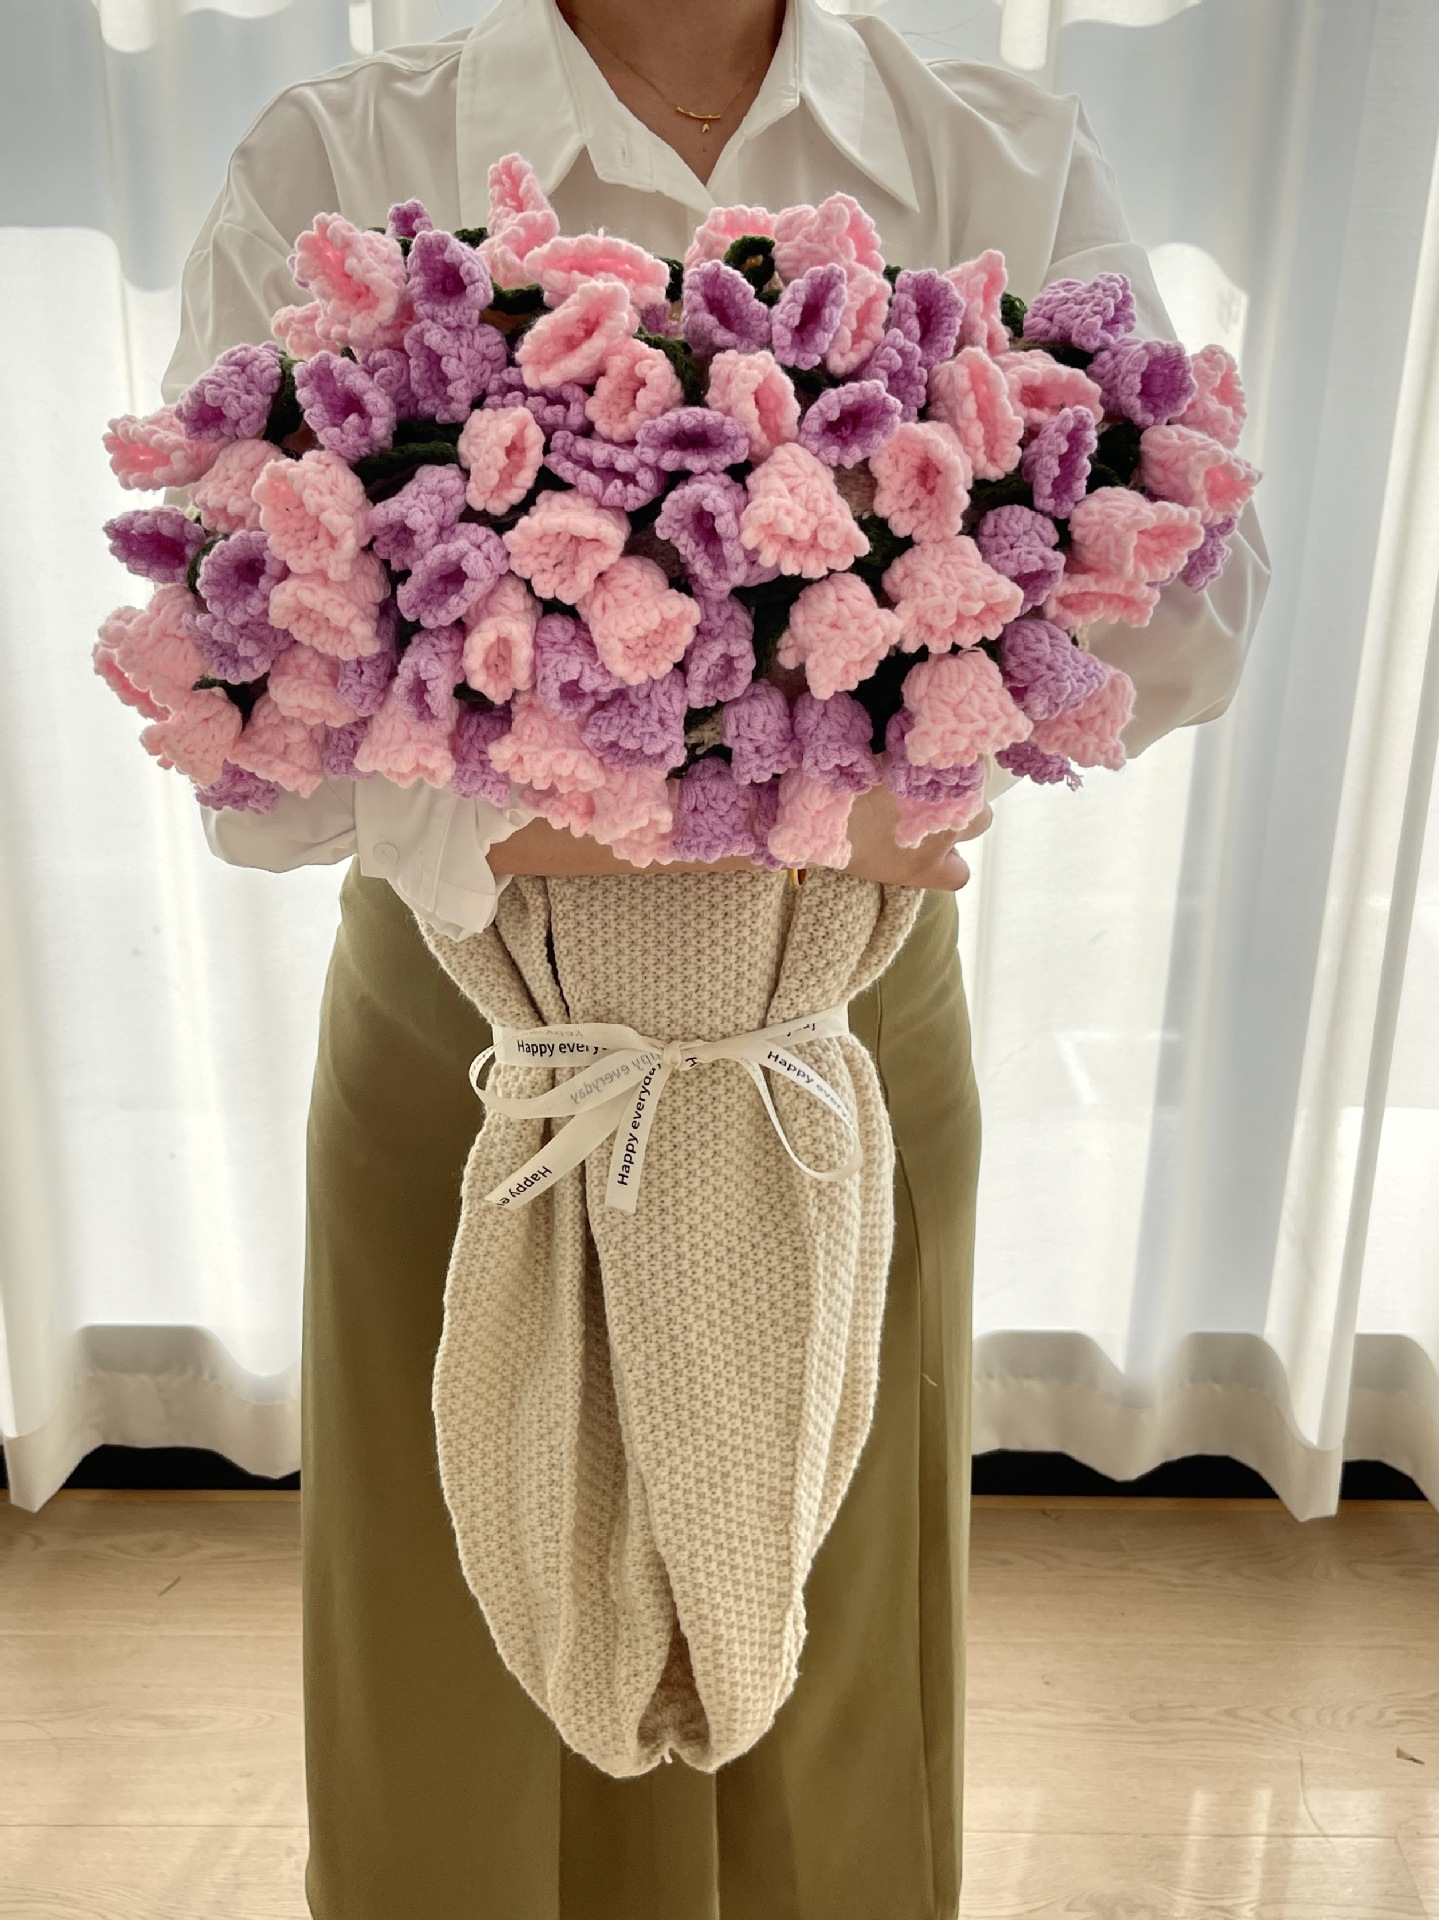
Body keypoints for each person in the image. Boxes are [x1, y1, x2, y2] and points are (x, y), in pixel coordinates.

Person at [163, 3, 1269, 1914]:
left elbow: (1195, 619)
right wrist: (815, 762)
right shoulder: (336, 157)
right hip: (473, 1045)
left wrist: (582, 751)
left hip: (838, 1035)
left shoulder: (994, 149)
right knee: (456, 1658)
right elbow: (235, 736)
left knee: (836, 1673)